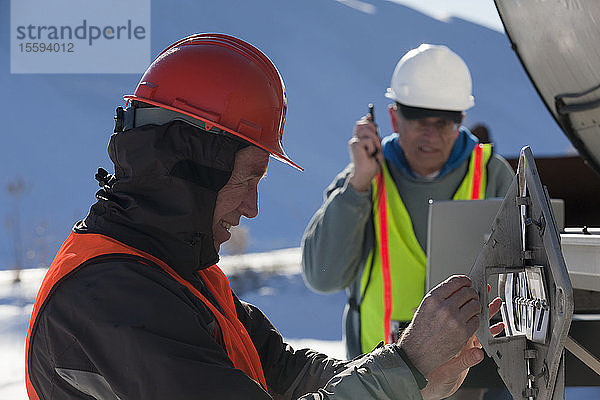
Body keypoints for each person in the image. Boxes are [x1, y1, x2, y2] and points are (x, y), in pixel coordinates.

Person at [25, 35, 502, 400]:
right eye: (248, 178)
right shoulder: (111, 300)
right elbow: (323, 274)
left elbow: (281, 369)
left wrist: (410, 376)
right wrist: (407, 366)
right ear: (195, 167)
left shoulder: (180, 273)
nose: (252, 207)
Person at [301, 44, 513, 361]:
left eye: (442, 123)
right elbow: (321, 275)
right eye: (418, 121)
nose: (430, 136)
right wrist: (358, 186)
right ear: (394, 118)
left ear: (460, 120)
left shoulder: (492, 175)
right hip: (377, 379)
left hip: (471, 376)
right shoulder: (363, 176)